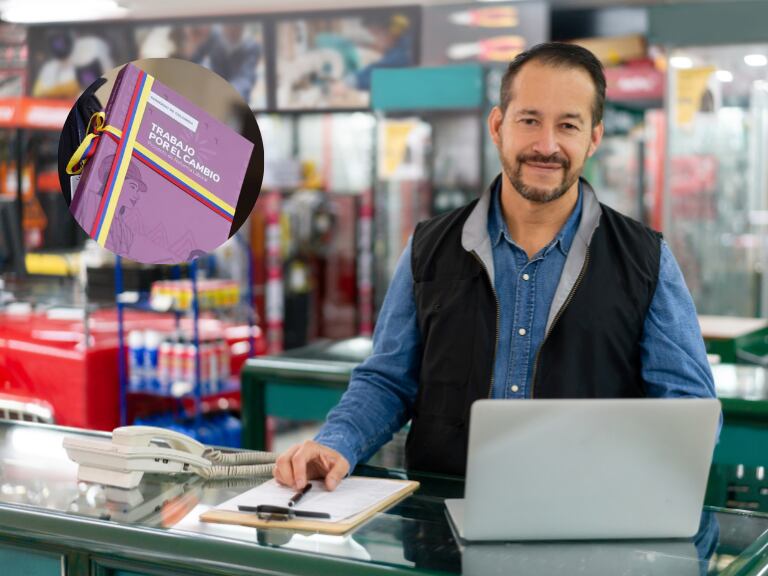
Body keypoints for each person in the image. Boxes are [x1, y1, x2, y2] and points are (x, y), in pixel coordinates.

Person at [274, 42, 717, 491]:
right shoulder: (429, 248)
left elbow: (690, 410)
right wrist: (336, 443)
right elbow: (387, 381)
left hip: (586, 532)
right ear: (498, 125)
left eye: (568, 125)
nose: (547, 145)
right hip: (441, 529)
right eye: (529, 120)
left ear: (594, 139)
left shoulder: (645, 259)